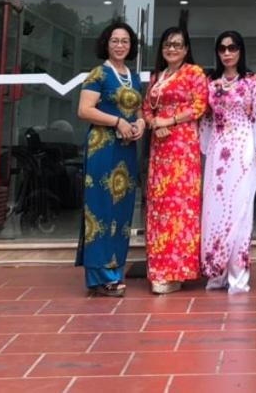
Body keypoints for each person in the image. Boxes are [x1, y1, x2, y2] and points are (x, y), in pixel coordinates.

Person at [75, 20, 145, 297]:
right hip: (103, 148)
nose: (119, 45)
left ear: (131, 46)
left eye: (125, 41)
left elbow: (138, 111)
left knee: (122, 213)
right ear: (106, 43)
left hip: (127, 150)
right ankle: (100, 276)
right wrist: (117, 121)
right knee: (101, 209)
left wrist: (140, 123)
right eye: (115, 40)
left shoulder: (133, 77)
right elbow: (84, 110)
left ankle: (115, 270)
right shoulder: (98, 74)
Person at [199, 30, 256, 294]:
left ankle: (238, 276)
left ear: (241, 50)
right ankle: (216, 272)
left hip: (242, 148)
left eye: (232, 48)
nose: (227, 53)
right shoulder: (211, 83)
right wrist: (202, 148)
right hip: (217, 151)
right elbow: (205, 119)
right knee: (215, 210)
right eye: (222, 48)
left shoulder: (252, 81)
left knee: (240, 210)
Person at [142, 26, 208, 295]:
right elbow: (146, 108)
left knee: (180, 206)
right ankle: (159, 269)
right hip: (160, 148)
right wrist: (154, 123)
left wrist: (169, 120)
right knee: (159, 206)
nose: (172, 49)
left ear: (186, 49)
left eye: (177, 45)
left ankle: (177, 272)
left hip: (183, 146)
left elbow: (199, 106)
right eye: (167, 44)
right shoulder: (157, 77)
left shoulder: (194, 73)